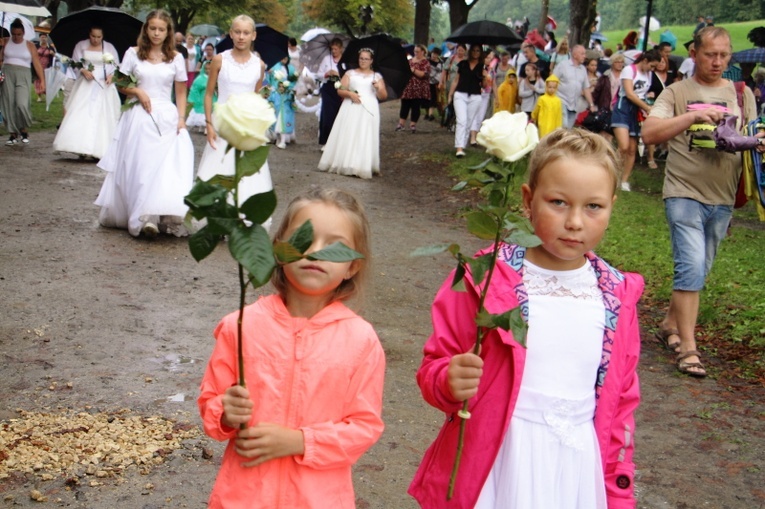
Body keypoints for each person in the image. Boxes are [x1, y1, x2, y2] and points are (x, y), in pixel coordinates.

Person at [409, 128, 643, 508]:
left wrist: (617, 492)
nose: (575, 222)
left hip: (576, 468)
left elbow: (622, 404)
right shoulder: (485, 278)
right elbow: (437, 364)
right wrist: (449, 380)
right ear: (527, 200)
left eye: (593, 206)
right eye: (559, 202)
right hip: (501, 462)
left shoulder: (616, 296)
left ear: (612, 206)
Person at [199, 187, 385, 509]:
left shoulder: (361, 341)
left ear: (352, 265)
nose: (315, 252)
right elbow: (211, 405)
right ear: (278, 248)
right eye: (303, 239)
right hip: (243, 498)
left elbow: (364, 427)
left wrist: (300, 442)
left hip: (320, 500)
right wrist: (225, 413)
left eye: (335, 246)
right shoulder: (240, 326)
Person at [642, 27, 761, 377]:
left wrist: (756, 140)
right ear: (694, 53)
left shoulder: (741, 93)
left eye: (724, 55)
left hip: (722, 195)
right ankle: (689, 348)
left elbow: (753, 131)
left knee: (700, 268)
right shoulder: (678, 92)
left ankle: (668, 323)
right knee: (690, 265)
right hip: (683, 192)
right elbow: (650, 132)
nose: (718, 61)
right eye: (711, 54)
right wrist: (692, 117)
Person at [94, 9, 194, 238]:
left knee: (164, 167)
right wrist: (137, 91)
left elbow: (180, 91)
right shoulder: (133, 53)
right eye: (153, 28)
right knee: (142, 166)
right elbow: (120, 83)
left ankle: (160, 213)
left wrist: (181, 119)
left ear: (168, 32)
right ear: (146, 29)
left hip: (166, 116)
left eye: (161, 29)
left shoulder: (176, 58)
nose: (156, 33)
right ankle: (143, 217)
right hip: (139, 114)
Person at [197, 15, 273, 225]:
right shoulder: (220, 59)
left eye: (246, 33)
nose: (241, 37)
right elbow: (209, 93)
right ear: (231, 33)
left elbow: (257, 97)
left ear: (253, 35)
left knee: (247, 170)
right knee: (221, 167)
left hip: (246, 125)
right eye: (237, 32)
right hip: (222, 123)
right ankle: (219, 216)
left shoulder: (259, 65)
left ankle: (242, 215)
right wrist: (209, 123)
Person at [52, 26, 120, 159]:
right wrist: (83, 70)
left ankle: (99, 148)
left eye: (98, 37)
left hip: (103, 82)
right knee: (82, 111)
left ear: (103, 36)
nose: (95, 39)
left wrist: (111, 76)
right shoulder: (81, 45)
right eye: (93, 36)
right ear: (89, 34)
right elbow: (76, 62)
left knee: (102, 114)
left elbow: (116, 65)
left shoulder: (109, 47)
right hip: (86, 82)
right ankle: (80, 147)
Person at [318, 48, 387, 178]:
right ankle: (346, 162)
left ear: (371, 61)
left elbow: (383, 96)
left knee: (365, 134)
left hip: (369, 107)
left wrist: (378, 87)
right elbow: (340, 90)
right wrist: (350, 94)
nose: (363, 61)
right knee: (349, 132)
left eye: (366, 59)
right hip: (351, 106)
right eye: (361, 58)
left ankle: (363, 164)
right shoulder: (350, 73)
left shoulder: (376, 77)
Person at [611, 49, 660, 191]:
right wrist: (648, 108)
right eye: (652, 66)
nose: (653, 69)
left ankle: (623, 180)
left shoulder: (649, 74)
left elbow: (643, 94)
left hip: (637, 111)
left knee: (632, 149)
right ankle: (609, 172)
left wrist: (646, 106)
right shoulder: (628, 70)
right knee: (623, 146)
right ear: (645, 61)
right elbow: (630, 94)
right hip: (624, 108)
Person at [1, 19, 45, 145]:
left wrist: (42, 80)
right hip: (7, 71)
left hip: (23, 73)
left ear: (23, 33)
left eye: (19, 34)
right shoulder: (5, 42)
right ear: (10, 32)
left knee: (22, 103)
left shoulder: (29, 45)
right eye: (13, 34)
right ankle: (12, 133)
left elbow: (36, 63)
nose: (16, 37)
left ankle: (23, 128)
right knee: (8, 102)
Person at [448, 44, 488, 157]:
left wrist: (485, 77)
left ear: (480, 53)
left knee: (469, 121)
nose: (475, 53)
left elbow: (484, 86)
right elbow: (456, 80)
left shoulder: (482, 67)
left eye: (478, 51)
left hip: (475, 96)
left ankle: (462, 144)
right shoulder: (463, 64)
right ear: (470, 52)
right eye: (474, 50)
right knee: (462, 120)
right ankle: (459, 148)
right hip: (460, 94)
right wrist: (450, 94)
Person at [554, 44, 597, 128]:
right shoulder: (563, 65)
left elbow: (586, 88)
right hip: (561, 101)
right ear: (574, 55)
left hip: (574, 104)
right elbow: (552, 81)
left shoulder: (583, 69)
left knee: (568, 131)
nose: (585, 56)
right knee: (564, 126)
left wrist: (591, 105)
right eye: (582, 54)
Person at [396, 44, 430, 133]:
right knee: (404, 105)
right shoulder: (409, 61)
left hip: (419, 88)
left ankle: (412, 124)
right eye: (415, 51)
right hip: (407, 87)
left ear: (423, 52)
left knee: (415, 106)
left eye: (418, 51)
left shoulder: (425, 62)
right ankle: (401, 123)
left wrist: (414, 70)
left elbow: (424, 74)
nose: (416, 53)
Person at [317, 37, 345, 147]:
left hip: (340, 89)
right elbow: (318, 74)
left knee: (339, 115)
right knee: (328, 115)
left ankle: (337, 142)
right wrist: (326, 74)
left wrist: (338, 74)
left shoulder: (344, 61)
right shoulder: (326, 59)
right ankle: (326, 141)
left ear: (341, 49)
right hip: (328, 88)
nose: (334, 51)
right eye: (332, 49)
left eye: (336, 49)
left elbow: (348, 75)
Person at [440, 43, 466, 129]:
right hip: (450, 84)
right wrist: (441, 82)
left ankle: (455, 123)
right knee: (450, 104)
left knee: (459, 105)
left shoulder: (466, 61)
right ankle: (449, 121)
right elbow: (444, 70)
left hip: (462, 86)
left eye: (462, 50)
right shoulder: (451, 59)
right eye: (459, 50)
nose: (460, 52)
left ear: (465, 51)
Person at [186, 60, 214, 133]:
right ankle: (200, 126)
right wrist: (192, 99)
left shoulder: (215, 78)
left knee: (212, 111)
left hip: (213, 98)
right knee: (201, 112)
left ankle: (207, 127)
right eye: (206, 69)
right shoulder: (200, 79)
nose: (208, 71)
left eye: (210, 69)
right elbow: (194, 89)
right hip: (202, 98)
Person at [34, 33, 54, 103]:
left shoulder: (50, 47)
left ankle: (46, 94)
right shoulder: (36, 46)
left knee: (46, 81)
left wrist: (52, 53)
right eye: (42, 37)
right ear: (40, 38)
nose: (43, 39)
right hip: (38, 65)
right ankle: (39, 96)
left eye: (45, 37)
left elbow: (55, 56)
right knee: (38, 81)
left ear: (47, 38)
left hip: (47, 66)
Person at [425, 47, 443, 121]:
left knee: (433, 98)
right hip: (426, 82)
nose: (434, 55)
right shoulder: (426, 61)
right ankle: (427, 113)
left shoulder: (440, 63)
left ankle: (430, 114)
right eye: (433, 53)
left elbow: (441, 73)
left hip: (435, 83)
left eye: (436, 54)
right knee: (426, 98)